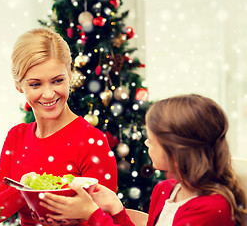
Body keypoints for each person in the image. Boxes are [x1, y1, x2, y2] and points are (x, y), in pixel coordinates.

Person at [39, 94, 247, 226]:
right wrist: (116, 209)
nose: (147, 143)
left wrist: (93, 215)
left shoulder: (211, 209)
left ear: (177, 149)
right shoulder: (165, 190)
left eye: (152, 139)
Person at [0, 28, 118, 226]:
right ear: (19, 85)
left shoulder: (91, 141)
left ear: (70, 76)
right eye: (35, 84)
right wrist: (26, 188)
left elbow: (107, 220)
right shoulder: (16, 137)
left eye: (57, 81)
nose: (48, 94)